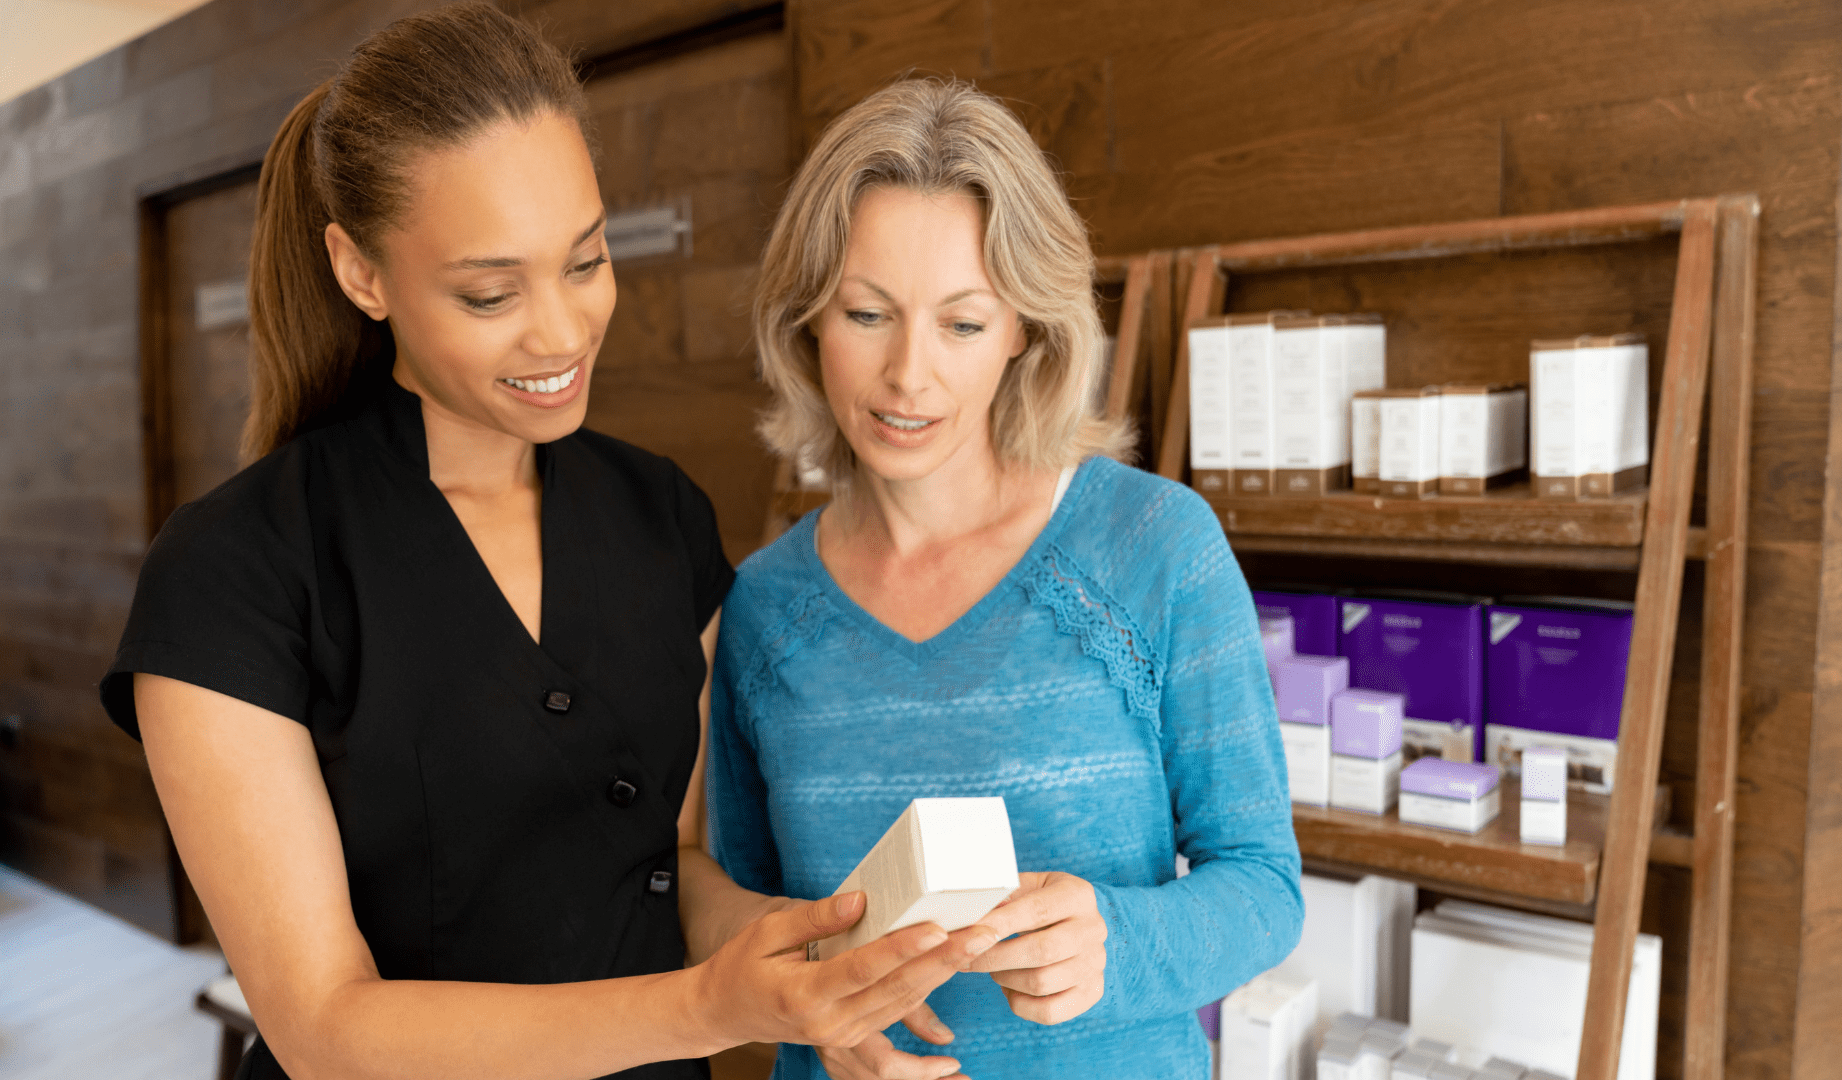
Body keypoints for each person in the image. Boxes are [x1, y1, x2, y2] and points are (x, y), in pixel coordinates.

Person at [100, 9, 992, 1080]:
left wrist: (809, 981)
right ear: (361, 271)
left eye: (585, 260)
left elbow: (665, 862)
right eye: (489, 292)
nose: (563, 333)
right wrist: (709, 1006)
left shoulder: (661, 515)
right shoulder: (233, 574)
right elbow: (324, 1028)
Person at [708, 79, 1306, 1080]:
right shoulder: (763, 608)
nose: (909, 373)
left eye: (963, 324)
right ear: (808, 318)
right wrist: (815, 1012)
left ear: (1027, 326)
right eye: (867, 313)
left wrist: (1116, 941)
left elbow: (1265, 887)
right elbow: (741, 909)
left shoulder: (1154, 547)